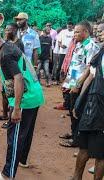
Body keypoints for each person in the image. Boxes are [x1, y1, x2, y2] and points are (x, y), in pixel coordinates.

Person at [0, 22, 44, 180]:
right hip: (35, 94)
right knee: (26, 132)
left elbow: (18, 78)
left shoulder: (5, 54)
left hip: (25, 99)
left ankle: (7, 174)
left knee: (15, 136)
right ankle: (23, 160)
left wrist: (17, 107)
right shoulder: (8, 47)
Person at [59, 21, 100, 148]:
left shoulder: (91, 47)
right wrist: (69, 81)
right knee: (72, 109)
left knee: (78, 110)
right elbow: (75, 65)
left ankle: (77, 139)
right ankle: (73, 133)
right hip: (73, 82)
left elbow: (89, 69)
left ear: (86, 32)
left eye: (77, 31)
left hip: (82, 85)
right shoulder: (79, 45)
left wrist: (77, 85)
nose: (74, 34)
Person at [71, 30, 104, 180]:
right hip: (92, 105)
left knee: (101, 152)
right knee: (84, 145)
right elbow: (90, 75)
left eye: (102, 31)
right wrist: (79, 101)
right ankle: (75, 178)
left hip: (100, 107)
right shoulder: (101, 52)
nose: (99, 34)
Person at [0, 23, 24, 128]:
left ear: (15, 30)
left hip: (14, 76)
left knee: (13, 97)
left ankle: (11, 119)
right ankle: (5, 115)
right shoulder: (6, 43)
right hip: (6, 77)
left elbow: (18, 65)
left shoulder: (19, 43)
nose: (7, 31)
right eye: (6, 29)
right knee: (5, 94)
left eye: (9, 30)